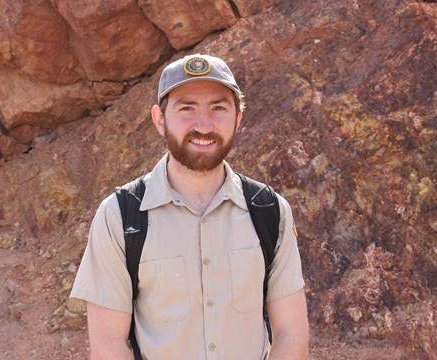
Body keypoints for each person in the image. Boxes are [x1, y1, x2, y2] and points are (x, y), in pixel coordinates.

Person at [70, 54, 309, 359]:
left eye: (218, 108)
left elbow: (291, 336)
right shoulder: (120, 216)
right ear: (159, 119)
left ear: (237, 118)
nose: (204, 125)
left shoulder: (270, 211)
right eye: (187, 108)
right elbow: (108, 346)